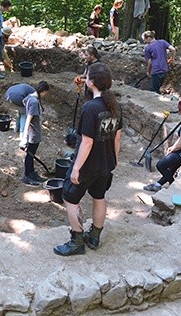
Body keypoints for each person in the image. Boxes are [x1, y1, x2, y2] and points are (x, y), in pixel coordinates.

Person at [54, 63, 122, 256]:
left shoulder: (90, 108)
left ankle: (77, 240)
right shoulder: (115, 106)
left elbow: (87, 142)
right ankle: (95, 236)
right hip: (106, 164)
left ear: (91, 82)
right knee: (99, 196)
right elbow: (118, 136)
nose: (84, 79)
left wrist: (76, 168)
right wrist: (114, 160)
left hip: (88, 165)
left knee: (69, 198)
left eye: (86, 77)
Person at [144, 100, 181, 192]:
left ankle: (172, 183)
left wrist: (171, 150)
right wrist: (173, 146)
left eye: (180, 110)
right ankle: (158, 185)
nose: (179, 111)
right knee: (171, 169)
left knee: (161, 165)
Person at [19, 81, 50, 186]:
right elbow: (28, 119)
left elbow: (24, 102)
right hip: (33, 134)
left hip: (33, 132)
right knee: (30, 155)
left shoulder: (29, 97)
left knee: (31, 155)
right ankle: (27, 175)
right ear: (43, 91)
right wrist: (24, 136)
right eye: (46, 93)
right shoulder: (34, 102)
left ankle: (31, 173)